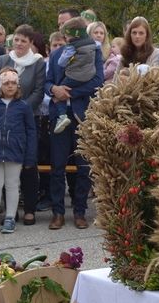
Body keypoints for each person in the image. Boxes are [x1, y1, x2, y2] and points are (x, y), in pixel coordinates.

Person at [45, 23, 104, 230]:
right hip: (59, 117)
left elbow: (98, 81)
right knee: (57, 166)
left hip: (82, 115)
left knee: (83, 166)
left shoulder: (93, 51)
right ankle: (58, 213)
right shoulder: (57, 54)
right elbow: (47, 82)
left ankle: (80, 212)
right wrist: (54, 89)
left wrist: (68, 93)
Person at [0, 24, 45, 226]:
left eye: (24, 40)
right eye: (17, 40)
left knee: (28, 164)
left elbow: (39, 91)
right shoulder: (2, 60)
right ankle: (9, 212)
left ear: (30, 43)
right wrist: (7, 107)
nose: (19, 44)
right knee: (5, 165)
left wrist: (20, 109)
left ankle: (29, 209)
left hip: (28, 118)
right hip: (4, 121)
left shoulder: (38, 62)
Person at [0, 68, 37, 234]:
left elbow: (31, 132)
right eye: (6, 83)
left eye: (13, 83)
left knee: (12, 185)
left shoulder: (24, 107)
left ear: (18, 85)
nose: (10, 86)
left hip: (15, 152)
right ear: (0, 86)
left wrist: (29, 156)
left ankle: (10, 217)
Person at [53, 17, 98, 134]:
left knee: (59, 93)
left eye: (67, 35)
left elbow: (61, 63)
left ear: (75, 34)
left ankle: (62, 116)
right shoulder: (93, 44)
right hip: (89, 75)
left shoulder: (72, 47)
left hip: (74, 78)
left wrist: (66, 93)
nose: (65, 37)